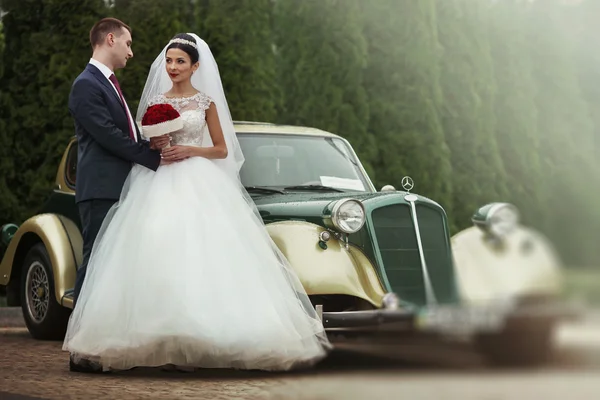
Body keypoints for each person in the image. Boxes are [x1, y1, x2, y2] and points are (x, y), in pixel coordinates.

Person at [62, 33, 331, 373]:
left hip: (199, 180)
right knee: (154, 249)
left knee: (206, 253)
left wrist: (191, 150)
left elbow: (222, 149)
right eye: (169, 61)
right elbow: (141, 139)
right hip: (158, 180)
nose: (173, 67)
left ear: (195, 66)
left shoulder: (206, 103)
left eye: (180, 62)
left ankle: (210, 334)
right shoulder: (156, 101)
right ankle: (154, 336)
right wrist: (156, 144)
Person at [67, 17, 170, 373]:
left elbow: (122, 131)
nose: (132, 51)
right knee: (95, 263)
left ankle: (102, 343)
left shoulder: (109, 84)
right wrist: (151, 156)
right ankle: (81, 350)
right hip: (101, 189)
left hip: (120, 188)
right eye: (127, 43)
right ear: (110, 39)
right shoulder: (86, 85)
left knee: (109, 268)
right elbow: (108, 134)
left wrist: (149, 143)